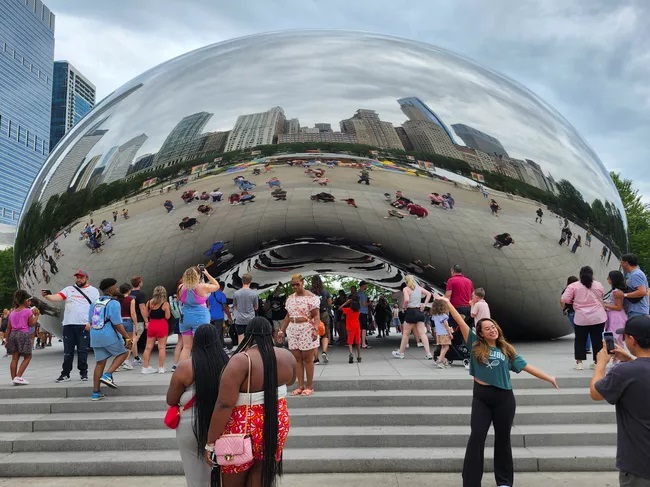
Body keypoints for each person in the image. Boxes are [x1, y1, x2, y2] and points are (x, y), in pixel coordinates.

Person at [440, 295, 558, 487]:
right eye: (487, 328)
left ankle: (504, 482)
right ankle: (471, 482)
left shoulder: (506, 349)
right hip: (482, 397)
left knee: (503, 439)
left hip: (504, 398)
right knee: (477, 437)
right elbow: (461, 322)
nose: (492, 330)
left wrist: (549, 377)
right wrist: (448, 303)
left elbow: (526, 366)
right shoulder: (475, 344)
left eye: (493, 327)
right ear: (481, 333)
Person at [206, 318, 296, 487]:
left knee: (235, 472)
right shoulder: (287, 356)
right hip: (276, 421)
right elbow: (291, 381)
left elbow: (224, 404)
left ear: (248, 335)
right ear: (272, 334)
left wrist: (210, 442)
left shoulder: (241, 360)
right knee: (262, 471)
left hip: (243, 425)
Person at [590, 315, 650, 486]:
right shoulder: (630, 370)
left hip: (639, 463)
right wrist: (631, 359)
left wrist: (601, 364)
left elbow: (596, 393)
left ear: (632, 340)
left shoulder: (624, 372)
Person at [166, 324, 229, 487]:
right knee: (224, 473)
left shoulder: (185, 367)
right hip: (223, 422)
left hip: (190, 424)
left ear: (196, 341)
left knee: (194, 473)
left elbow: (171, 399)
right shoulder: (228, 364)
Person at [42, 269, 99, 383]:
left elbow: (96, 308)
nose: (79, 279)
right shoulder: (69, 289)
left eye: (81, 277)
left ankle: (83, 372)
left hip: (83, 325)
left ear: (86, 278)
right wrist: (47, 296)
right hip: (68, 324)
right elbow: (58, 297)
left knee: (82, 350)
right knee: (68, 351)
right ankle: (65, 373)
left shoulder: (93, 291)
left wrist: (92, 323)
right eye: (77, 277)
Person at [88, 278, 132, 400]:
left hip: (95, 335)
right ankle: (108, 375)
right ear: (111, 289)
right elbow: (117, 323)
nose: (117, 288)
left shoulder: (94, 302)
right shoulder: (113, 303)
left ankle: (96, 392)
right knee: (124, 352)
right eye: (116, 287)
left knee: (100, 363)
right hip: (108, 334)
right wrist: (127, 337)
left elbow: (90, 320)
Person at [279, 274, 321, 396]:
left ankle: (309, 386)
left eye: (297, 284)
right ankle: (300, 386)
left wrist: (315, 329)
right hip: (293, 329)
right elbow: (288, 316)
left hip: (306, 328)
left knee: (308, 359)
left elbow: (316, 316)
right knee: (297, 359)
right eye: (293, 285)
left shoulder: (311, 298)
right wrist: (282, 330)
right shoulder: (290, 298)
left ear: (303, 282)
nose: (295, 287)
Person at [561, 266, 607, 370]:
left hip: (581, 317)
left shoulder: (573, 286)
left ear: (580, 274)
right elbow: (601, 296)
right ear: (592, 274)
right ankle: (597, 362)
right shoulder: (598, 284)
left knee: (580, 340)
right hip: (597, 317)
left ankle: (579, 363)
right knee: (597, 340)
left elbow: (565, 299)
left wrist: (574, 301)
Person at [178, 267, 221, 362]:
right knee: (201, 345)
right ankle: (201, 366)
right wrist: (207, 274)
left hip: (185, 318)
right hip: (200, 317)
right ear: (197, 276)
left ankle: (181, 367)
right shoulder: (202, 287)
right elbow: (217, 286)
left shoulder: (181, 287)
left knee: (186, 347)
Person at [392, 274, 433, 360]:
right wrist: (424, 304)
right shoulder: (419, 288)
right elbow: (429, 294)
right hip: (419, 311)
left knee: (406, 333)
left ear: (406, 281)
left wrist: (403, 307)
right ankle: (428, 353)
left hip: (411, 311)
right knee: (422, 333)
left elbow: (406, 300)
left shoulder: (406, 289)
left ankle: (401, 353)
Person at [5, 290, 39, 385]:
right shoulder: (28, 311)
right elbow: (31, 324)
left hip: (13, 335)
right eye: (29, 301)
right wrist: (36, 316)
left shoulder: (12, 313)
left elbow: (8, 328)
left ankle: (13, 379)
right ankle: (18, 377)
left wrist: (7, 340)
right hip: (23, 335)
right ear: (26, 301)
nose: (30, 302)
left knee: (14, 358)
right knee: (28, 356)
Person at [141, 286, 171, 374]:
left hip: (152, 325)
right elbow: (167, 317)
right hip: (162, 325)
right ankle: (161, 368)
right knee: (161, 347)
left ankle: (145, 367)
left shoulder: (149, 302)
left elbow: (147, 315)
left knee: (148, 347)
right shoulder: (165, 304)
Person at [602, 270, 628, 363]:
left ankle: (619, 359)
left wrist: (605, 305)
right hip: (614, 316)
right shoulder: (616, 291)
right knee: (614, 338)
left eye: (609, 278)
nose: (607, 279)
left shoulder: (616, 292)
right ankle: (617, 359)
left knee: (616, 338)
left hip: (616, 317)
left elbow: (618, 307)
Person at [561, 276, 591, 354]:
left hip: (572, 312)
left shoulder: (567, 290)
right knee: (586, 329)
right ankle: (587, 347)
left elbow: (563, 301)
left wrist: (564, 308)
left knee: (578, 331)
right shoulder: (581, 289)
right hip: (582, 312)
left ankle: (580, 347)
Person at [310, 275, 331, 364]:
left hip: (313, 315)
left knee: (314, 336)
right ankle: (324, 351)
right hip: (324, 313)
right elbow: (330, 303)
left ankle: (316, 359)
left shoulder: (309, 292)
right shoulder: (325, 292)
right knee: (325, 334)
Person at [117, 283, 138, 370]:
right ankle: (126, 360)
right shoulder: (131, 299)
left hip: (118, 322)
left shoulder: (117, 299)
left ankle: (117, 362)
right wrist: (136, 324)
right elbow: (133, 313)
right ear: (129, 290)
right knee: (129, 341)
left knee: (119, 341)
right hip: (127, 320)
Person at [233, 273, 258, 344]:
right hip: (250, 319)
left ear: (242, 281)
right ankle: (249, 349)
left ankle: (241, 350)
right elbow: (256, 307)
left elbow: (235, 306)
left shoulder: (236, 293)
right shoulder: (254, 294)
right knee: (250, 337)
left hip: (239, 319)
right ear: (250, 281)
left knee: (240, 337)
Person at [207, 281, 231, 350]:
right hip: (219, 316)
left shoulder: (211, 296)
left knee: (217, 332)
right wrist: (229, 317)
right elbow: (225, 307)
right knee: (218, 332)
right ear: (221, 287)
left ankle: (222, 345)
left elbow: (208, 306)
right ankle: (216, 348)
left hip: (211, 316)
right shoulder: (222, 295)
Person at [430, 298, 453, 368]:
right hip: (444, 333)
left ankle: (442, 360)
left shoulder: (434, 316)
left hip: (438, 333)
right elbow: (446, 325)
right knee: (446, 347)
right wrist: (450, 333)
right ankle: (440, 360)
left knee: (443, 347)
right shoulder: (444, 316)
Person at [129, 276, 147, 366]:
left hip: (129, 319)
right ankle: (124, 359)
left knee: (133, 338)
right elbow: (142, 308)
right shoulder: (141, 294)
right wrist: (146, 320)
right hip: (138, 319)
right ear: (140, 283)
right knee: (136, 339)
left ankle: (136, 357)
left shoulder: (129, 294)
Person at [340, 299, 362, 363]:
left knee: (350, 342)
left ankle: (351, 354)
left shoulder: (348, 310)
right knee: (358, 342)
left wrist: (346, 302)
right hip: (357, 327)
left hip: (350, 328)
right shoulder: (358, 311)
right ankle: (359, 356)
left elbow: (340, 308)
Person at [358, 281, 371, 349]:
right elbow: (364, 304)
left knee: (359, 328)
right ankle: (363, 343)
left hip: (358, 312)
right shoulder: (363, 294)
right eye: (366, 285)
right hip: (363, 312)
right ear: (363, 285)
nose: (366, 286)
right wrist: (369, 303)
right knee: (363, 328)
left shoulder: (358, 293)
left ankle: (359, 342)